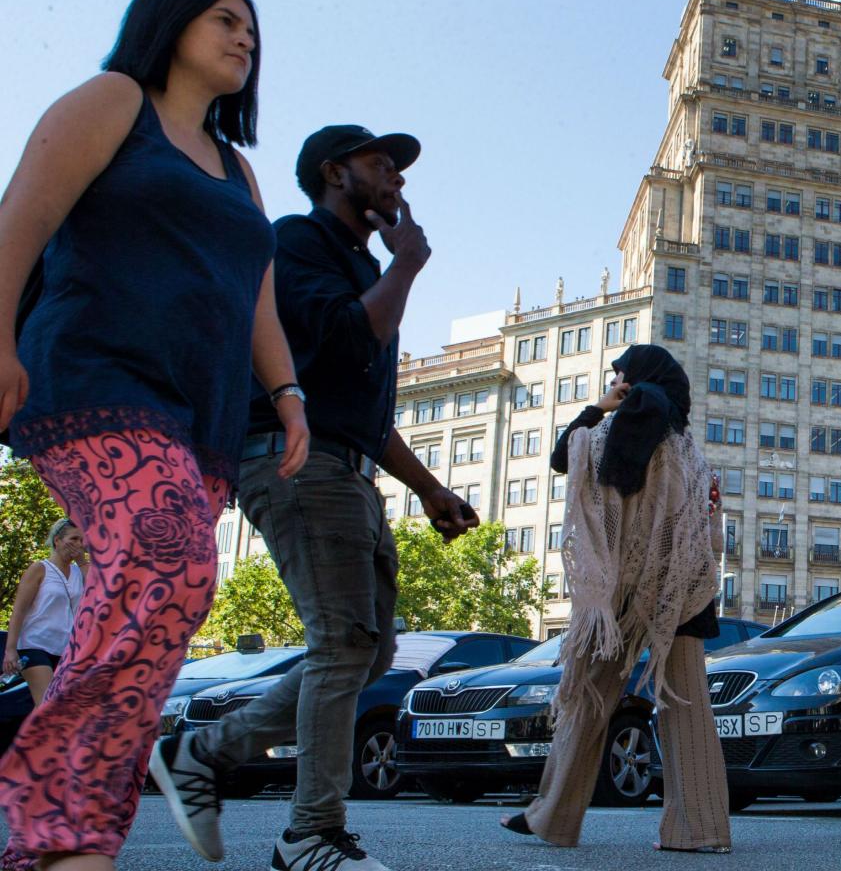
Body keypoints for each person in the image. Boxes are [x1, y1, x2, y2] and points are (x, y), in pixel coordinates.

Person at [0, 0, 307, 871]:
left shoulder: (236, 168)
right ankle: (63, 830)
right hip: (94, 379)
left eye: (253, 29)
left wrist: (288, 394)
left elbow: (257, 296)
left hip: (196, 413)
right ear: (169, 24)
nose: (246, 39)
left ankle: (59, 830)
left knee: (166, 593)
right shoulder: (114, 102)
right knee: (165, 562)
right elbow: (23, 215)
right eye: (225, 20)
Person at [149, 124, 473, 871]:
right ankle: (311, 834)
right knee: (342, 644)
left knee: (368, 650)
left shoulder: (363, 266)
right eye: (380, 164)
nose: (396, 179)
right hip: (299, 462)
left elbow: (360, 406)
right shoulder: (296, 241)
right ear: (334, 172)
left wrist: (429, 489)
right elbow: (346, 338)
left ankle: (203, 752)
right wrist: (409, 263)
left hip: (347, 467)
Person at [501, 345, 730, 853]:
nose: (616, 379)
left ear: (637, 377)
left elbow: (575, 461)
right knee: (685, 703)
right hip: (683, 586)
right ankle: (699, 830)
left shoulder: (638, 410)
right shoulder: (688, 446)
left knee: (587, 695)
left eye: (619, 372)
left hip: (626, 587)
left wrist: (601, 409)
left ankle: (555, 817)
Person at [3, 520, 87, 704]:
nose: (79, 545)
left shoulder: (78, 571)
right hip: (34, 645)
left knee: (58, 708)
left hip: (65, 649)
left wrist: (82, 561)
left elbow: (97, 591)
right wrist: (10, 650)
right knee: (47, 704)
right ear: (57, 540)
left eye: (82, 540)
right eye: (74, 539)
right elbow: (19, 610)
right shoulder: (40, 569)